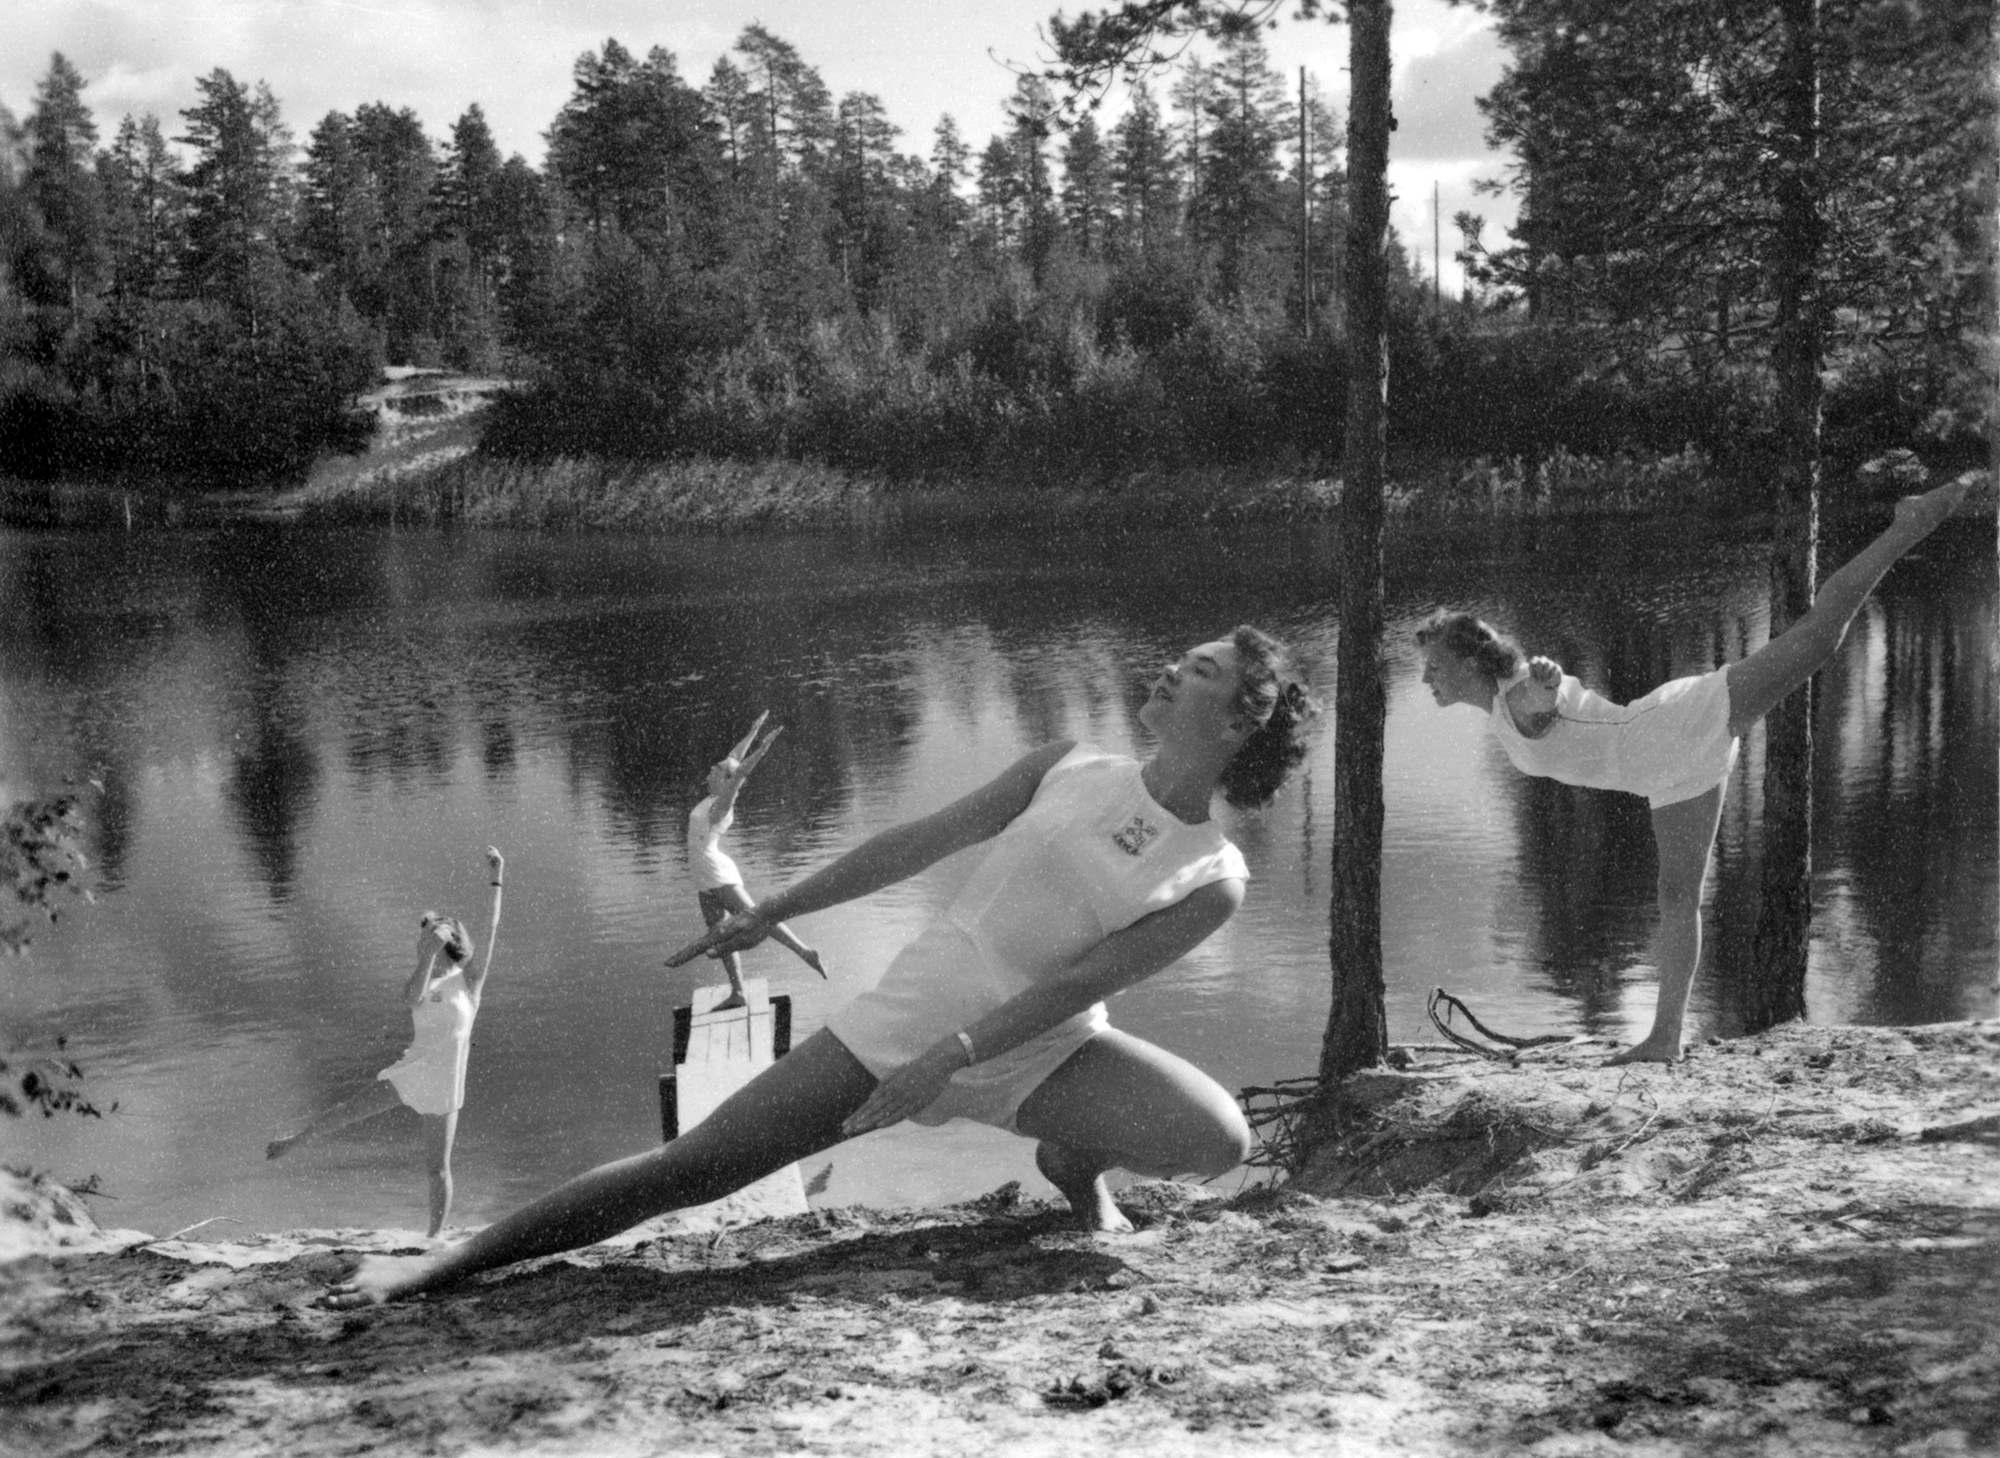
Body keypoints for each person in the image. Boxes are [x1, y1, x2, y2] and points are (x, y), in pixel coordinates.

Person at [324, 627, 1316, 1307]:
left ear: (1235, 724)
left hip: (1037, 1049)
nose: (1166, 671)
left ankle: (1071, 1162)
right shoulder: (1069, 766)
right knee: (693, 1171)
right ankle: (444, 1266)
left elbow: (1070, 989)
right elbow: (915, 841)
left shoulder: (1210, 875)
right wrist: (773, 910)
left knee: (1214, 1140)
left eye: (1195, 671)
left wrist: (954, 1064)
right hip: (905, 1022)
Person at [1416, 477, 1972, 1064]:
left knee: (1815, 642)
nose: (1426, 677)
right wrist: (1544, 688)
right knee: (1678, 897)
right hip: (1668, 774)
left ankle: (1906, 526)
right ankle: (1665, 1039)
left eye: (1433, 666)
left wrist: (1548, 682)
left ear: (1466, 661)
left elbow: (1542, 697)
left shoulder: (1516, 696)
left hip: (1677, 728)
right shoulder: (1502, 707)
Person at [269, 847, 505, 1238]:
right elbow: (413, 997)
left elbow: (491, 927)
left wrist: (498, 878)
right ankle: (295, 1141)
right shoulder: (420, 980)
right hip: (412, 1072)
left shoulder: (470, 983)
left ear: (451, 943)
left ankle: (434, 1239)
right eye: (424, 937)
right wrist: (428, 953)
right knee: (348, 1111)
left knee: (437, 1168)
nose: (422, 941)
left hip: (446, 1085)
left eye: (431, 936)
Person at [687, 711, 825, 1009]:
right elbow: (734, 760)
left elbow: (738, 773)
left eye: (718, 768)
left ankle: (805, 951)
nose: (713, 766)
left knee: (758, 916)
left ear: (726, 781)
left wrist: (762, 749)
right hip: (704, 878)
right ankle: (737, 992)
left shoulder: (720, 808)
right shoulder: (713, 798)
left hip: (717, 876)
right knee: (719, 936)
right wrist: (752, 733)